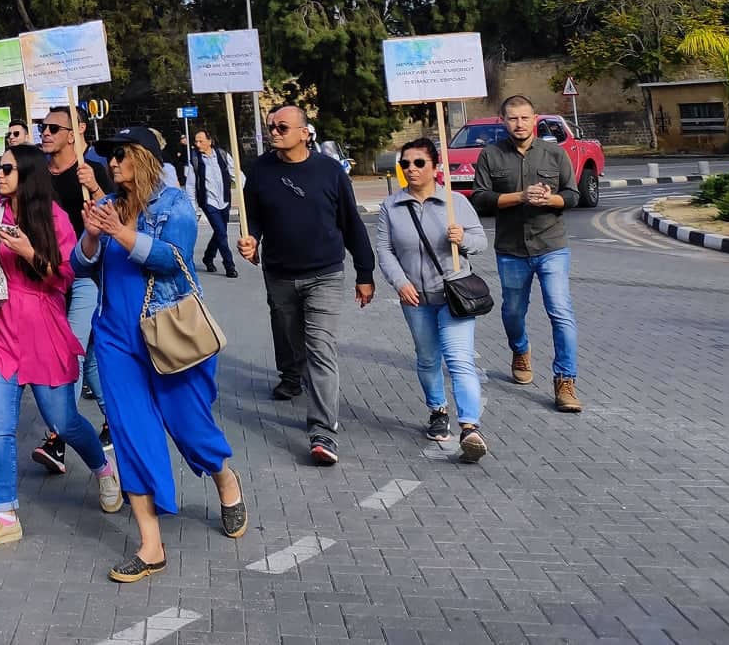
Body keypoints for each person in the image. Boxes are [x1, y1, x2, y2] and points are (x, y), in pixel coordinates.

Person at [73, 126, 246, 583]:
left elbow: (174, 259)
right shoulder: (108, 206)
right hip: (115, 339)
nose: (112, 163)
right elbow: (80, 263)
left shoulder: (174, 204)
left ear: (144, 158)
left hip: (168, 331)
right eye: (109, 156)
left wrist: (121, 234)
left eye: (121, 155)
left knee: (189, 426)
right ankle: (151, 544)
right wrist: (91, 235)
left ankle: (223, 477)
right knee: (132, 435)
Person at [0, 145, 120, 550]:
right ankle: (5, 515)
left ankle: (103, 468)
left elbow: (64, 277)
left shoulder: (55, 217)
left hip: (44, 333)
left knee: (63, 422)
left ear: (28, 174)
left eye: (7, 168)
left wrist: (27, 251)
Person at [237, 105, 375, 466]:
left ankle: (323, 431)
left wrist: (365, 272)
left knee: (320, 350)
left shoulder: (329, 171)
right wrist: (251, 239)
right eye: (271, 126)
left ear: (304, 133)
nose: (274, 131)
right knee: (299, 351)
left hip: (325, 274)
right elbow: (253, 218)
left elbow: (351, 223)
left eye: (282, 126)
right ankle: (304, 388)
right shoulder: (260, 171)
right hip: (280, 275)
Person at [375, 138, 489, 462]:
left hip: (453, 295)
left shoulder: (455, 203)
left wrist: (462, 239)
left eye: (418, 163)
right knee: (427, 358)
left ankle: (470, 427)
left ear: (435, 167)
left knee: (459, 359)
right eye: (405, 164)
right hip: (415, 298)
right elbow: (385, 250)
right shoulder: (391, 207)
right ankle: (438, 410)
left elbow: (481, 242)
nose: (411, 169)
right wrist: (400, 283)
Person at [470, 95, 582, 413]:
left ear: (535, 119)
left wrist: (550, 200)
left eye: (524, 118)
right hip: (511, 249)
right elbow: (480, 198)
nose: (519, 124)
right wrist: (520, 196)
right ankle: (520, 349)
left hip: (551, 246)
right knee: (513, 312)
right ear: (503, 121)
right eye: (513, 118)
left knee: (560, 311)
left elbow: (572, 195)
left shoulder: (554, 153)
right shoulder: (491, 155)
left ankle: (565, 380)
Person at [31, 104, 113, 473]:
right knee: (90, 360)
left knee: (71, 352)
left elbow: (117, 216)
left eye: (53, 128)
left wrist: (94, 186)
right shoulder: (37, 174)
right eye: (42, 127)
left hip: (84, 276)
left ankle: (58, 437)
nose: (45, 133)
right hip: (49, 277)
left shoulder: (90, 171)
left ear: (73, 134)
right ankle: (116, 419)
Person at [189, 129, 239, 279]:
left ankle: (208, 257)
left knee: (220, 232)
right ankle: (229, 266)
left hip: (224, 200)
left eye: (201, 141)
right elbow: (190, 185)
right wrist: (192, 207)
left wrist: (246, 190)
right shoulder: (195, 159)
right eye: (196, 141)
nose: (197, 144)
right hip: (208, 202)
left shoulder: (222, 155)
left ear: (210, 141)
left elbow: (235, 173)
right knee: (222, 233)